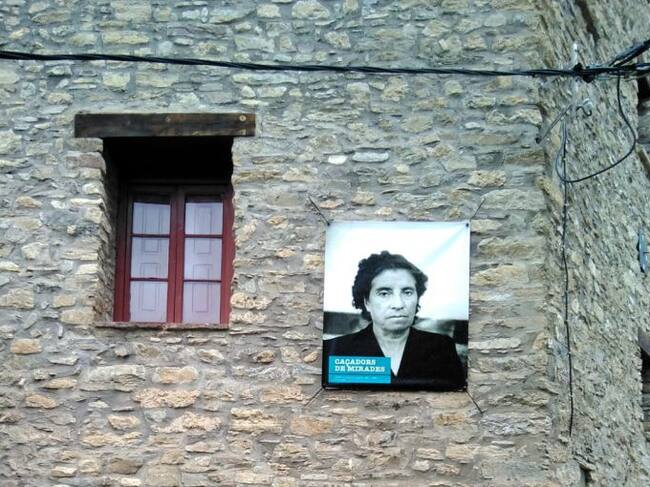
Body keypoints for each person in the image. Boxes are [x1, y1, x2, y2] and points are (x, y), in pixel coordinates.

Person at [323, 251, 465, 389]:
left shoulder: (442, 348)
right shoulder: (337, 350)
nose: (398, 304)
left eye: (407, 292)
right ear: (367, 302)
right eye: (384, 293)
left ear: (417, 298)